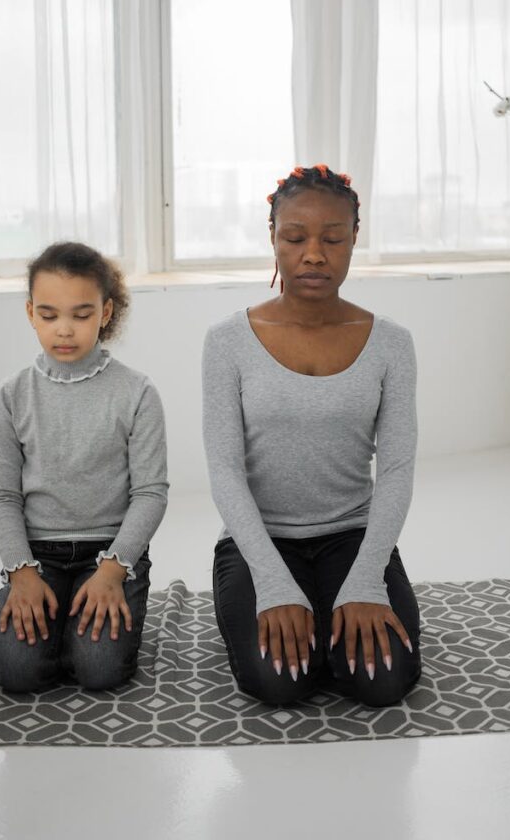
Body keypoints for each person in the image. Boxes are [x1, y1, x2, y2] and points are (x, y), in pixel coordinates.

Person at [202, 165, 421, 707]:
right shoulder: (227, 341)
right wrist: (274, 587)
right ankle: (299, 613)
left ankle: (332, 613)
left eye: (333, 238)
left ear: (354, 238)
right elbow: (225, 471)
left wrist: (367, 579)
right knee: (279, 682)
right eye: (295, 237)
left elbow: (395, 470)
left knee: (384, 682)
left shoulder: (392, 343)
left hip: (352, 535)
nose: (314, 254)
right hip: (260, 539)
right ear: (273, 237)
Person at [0, 241, 168, 692]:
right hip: (38, 555)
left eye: (81, 315)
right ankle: (58, 631)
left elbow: (150, 493)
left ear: (105, 313)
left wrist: (113, 570)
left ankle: (83, 635)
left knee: (99, 672)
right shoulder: (10, 397)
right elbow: (2, 496)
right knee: (16, 673)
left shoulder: (138, 393)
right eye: (49, 315)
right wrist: (21, 573)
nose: (64, 330)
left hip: (109, 552)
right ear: (30, 313)